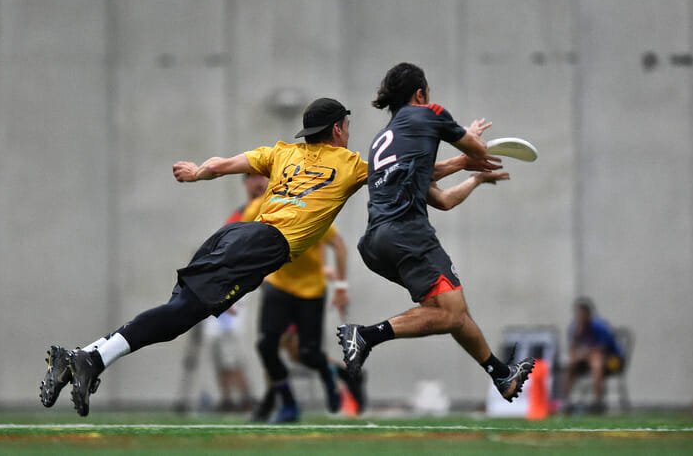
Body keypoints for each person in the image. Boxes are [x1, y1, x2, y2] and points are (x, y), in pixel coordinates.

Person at [39, 97, 370, 416]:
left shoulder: (283, 152)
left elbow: (222, 165)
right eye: (348, 126)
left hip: (236, 233)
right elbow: (402, 176)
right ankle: (90, 360)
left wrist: (197, 172)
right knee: (179, 316)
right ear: (338, 129)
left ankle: (82, 356)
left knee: (175, 315)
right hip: (264, 246)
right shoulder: (352, 165)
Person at [336, 62, 535, 403]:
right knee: (451, 312)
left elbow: (441, 200)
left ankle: (501, 375)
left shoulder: (385, 141)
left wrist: (474, 178)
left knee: (453, 310)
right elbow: (478, 151)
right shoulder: (430, 113)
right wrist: (472, 139)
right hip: (407, 234)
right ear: (420, 93)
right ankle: (365, 336)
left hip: (375, 244)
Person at [173, 173, 268, 413]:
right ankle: (229, 398)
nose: (258, 183)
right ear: (245, 183)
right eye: (253, 178)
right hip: (226, 286)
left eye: (262, 178)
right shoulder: (238, 217)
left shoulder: (273, 211)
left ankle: (246, 396)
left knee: (232, 344)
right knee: (218, 343)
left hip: (241, 287)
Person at [250, 222, 362, 423]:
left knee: (307, 354)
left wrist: (341, 287)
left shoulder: (315, 210)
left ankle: (331, 373)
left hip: (310, 292)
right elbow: (247, 248)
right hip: (278, 287)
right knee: (267, 346)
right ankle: (287, 403)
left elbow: (339, 245)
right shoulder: (262, 210)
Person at [563, 298, 624, 413]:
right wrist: (577, 337)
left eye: (583, 314)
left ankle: (597, 400)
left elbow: (603, 349)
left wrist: (585, 354)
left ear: (589, 314)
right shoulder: (575, 328)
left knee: (596, 363)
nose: (581, 317)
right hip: (588, 358)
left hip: (613, 361)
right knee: (571, 363)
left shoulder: (599, 327)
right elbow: (573, 350)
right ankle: (567, 399)